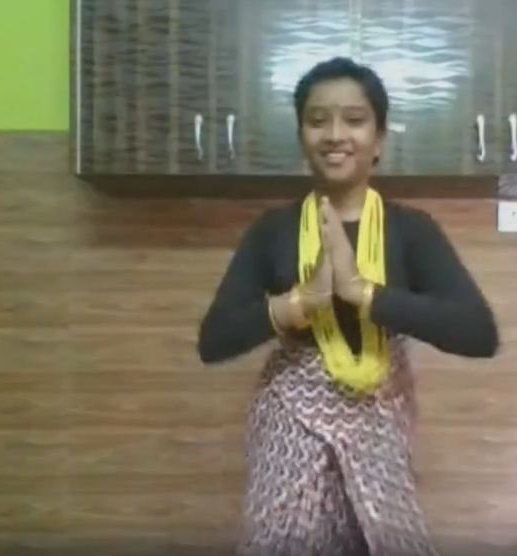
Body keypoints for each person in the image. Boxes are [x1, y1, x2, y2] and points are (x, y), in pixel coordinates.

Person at [197, 57, 499, 556]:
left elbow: (479, 333)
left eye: (354, 120)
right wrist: (299, 303)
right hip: (289, 424)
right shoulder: (274, 231)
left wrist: (364, 292)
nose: (335, 134)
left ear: (379, 140)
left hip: (381, 421)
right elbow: (213, 341)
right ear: (302, 136)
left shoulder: (411, 230)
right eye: (318, 120)